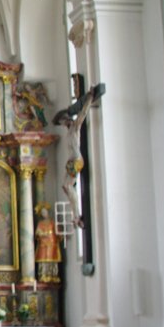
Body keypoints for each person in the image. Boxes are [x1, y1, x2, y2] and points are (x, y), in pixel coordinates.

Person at [53, 83, 105, 228]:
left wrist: (89, 98)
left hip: (76, 160)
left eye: (64, 120)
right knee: (65, 187)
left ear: (68, 119)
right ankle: (76, 215)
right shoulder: (69, 131)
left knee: (68, 186)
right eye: (62, 122)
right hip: (71, 160)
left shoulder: (75, 127)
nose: (64, 123)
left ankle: (77, 217)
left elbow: (83, 113)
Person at [34, 204, 61, 282]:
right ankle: (43, 275)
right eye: (42, 213)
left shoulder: (52, 223)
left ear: (48, 212)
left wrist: (59, 235)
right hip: (43, 245)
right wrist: (42, 234)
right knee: (44, 261)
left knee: (52, 260)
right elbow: (37, 233)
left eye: (45, 212)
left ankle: (53, 275)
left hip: (52, 245)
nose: (44, 214)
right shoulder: (40, 223)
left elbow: (57, 232)